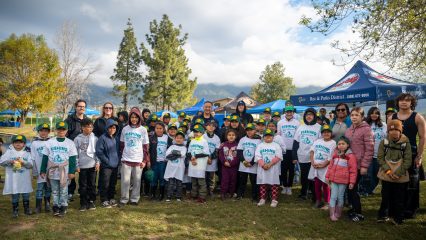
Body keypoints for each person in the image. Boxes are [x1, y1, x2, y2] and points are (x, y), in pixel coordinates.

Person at [391, 93, 425, 219]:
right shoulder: (392, 117)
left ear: (412, 103)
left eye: (407, 100)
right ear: (398, 102)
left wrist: (419, 156)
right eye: (401, 100)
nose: (404, 102)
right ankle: (396, 208)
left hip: (412, 153)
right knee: (396, 181)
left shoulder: (418, 117)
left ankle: (410, 210)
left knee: (412, 183)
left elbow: (422, 138)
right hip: (394, 153)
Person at [377, 119, 412, 225]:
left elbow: (408, 160)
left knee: (399, 197)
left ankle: (398, 217)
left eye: (397, 130)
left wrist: (398, 173)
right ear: (388, 131)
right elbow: (380, 157)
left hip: (400, 174)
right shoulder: (384, 142)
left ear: (400, 131)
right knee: (385, 196)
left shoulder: (406, 143)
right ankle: (383, 215)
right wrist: (388, 170)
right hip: (387, 173)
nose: (394, 132)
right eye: (391, 130)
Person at [40, 121, 78, 217]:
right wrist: (43, 170)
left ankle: (63, 206)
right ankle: (56, 206)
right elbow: (45, 157)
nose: (61, 131)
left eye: (63, 129)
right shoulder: (50, 142)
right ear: (55, 130)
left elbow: (72, 158)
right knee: (55, 190)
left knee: (64, 190)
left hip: (64, 170)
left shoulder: (70, 143)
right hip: (53, 169)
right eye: (59, 129)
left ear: (66, 131)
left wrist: (72, 171)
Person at [344, 107, 374, 222]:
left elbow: (369, 149)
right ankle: (352, 209)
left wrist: (364, 166)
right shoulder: (349, 129)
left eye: (357, 115)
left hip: (359, 165)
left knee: (353, 188)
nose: (354, 117)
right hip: (349, 164)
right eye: (352, 115)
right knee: (350, 187)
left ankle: (358, 212)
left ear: (362, 116)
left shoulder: (367, 130)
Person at [119, 107, 150, 206]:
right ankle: (124, 199)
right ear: (129, 118)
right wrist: (123, 156)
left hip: (138, 159)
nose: (134, 119)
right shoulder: (125, 129)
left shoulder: (143, 130)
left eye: (136, 117)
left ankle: (134, 199)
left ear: (139, 118)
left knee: (137, 181)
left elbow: (145, 147)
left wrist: (144, 160)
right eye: (132, 117)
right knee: (125, 181)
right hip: (126, 159)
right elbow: (122, 144)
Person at [1, 135, 33, 217]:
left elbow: (31, 165)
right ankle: (15, 210)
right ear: (12, 143)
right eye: (16, 142)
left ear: (24, 144)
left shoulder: (27, 153)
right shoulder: (9, 152)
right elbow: (2, 162)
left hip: (24, 179)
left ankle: (26, 209)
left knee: (26, 194)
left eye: (20, 142)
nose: (18, 144)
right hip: (13, 179)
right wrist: (10, 161)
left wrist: (23, 163)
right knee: (15, 195)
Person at [326, 136, 357, 221]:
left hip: (343, 181)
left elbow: (353, 171)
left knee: (340, 197)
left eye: (343, 144)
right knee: (333, 197)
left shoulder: (350, 156)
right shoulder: (335, 155)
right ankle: (332, 214)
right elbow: (330, 166)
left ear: (347, 145)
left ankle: (338, 213)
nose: (341, 145)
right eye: (339, 144)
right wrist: (327, 176)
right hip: (334, 180)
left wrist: (352, 182)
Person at [293, 108, 321, 200]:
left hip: (314, 157)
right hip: (302, 156)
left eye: (311, 115)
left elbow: (321, 142)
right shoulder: (301, 127)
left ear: (314, 116)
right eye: (307, 115)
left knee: (313, 176)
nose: (309, 116)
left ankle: (314, 194)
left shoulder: (319, 127)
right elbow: (296, 142)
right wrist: (294, 156)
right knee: (304, 176)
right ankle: (303, 193)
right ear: (305, 116)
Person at [65, 99, 90, 201]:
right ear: (76, 107)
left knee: (83, 173)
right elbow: (65, 135)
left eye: (83, 106)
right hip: (71, 151)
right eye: (80, 106)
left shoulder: (87, 119)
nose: (81, 108)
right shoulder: (69, 120)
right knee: (71, 172)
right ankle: (70, 192)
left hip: (84, 151)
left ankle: (83, 191)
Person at [308, 124, 336, 209]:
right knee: (317, 184)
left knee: (326, 185)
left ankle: (327, 202)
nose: (326, 134)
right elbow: (312, 151)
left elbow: (331, 157)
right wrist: (312, 162)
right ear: (321, 133)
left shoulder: (333, 143)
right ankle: (318, 200)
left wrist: (323, 165)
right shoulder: (317, 141)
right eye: (324, 132)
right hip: (316, 166)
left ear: (331, 133)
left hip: (325, 167)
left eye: (328, 132)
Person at [74, 119, 99, 211]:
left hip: (92, 165)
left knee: (92, 184)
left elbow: (97, 152)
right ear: (82, 127)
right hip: (82, 166)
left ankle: (91, 201)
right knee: (83, 185)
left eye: (91, 126)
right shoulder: (77, 139)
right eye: (88, 126)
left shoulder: (95, 138)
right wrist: (77, 165)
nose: (90, 128)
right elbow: (75, 153)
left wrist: (97, 162)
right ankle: (83, 202)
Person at [255, 129, 283, 207]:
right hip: (262, 168)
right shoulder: (260, 145)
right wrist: (263, 165)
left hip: (273, 168)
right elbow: (257, 156)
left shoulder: (276, 145)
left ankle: (274, 199)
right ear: (263, 137)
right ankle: (263, 198)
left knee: (273, 183)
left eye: (270, 136)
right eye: (266, 136)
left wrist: (270, 164)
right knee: (263, 183)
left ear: (273, 137)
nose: (268, 138)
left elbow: (278, 156)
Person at [96, 119, 120, 208]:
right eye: (110, 127)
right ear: (107, 128)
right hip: (106, 166)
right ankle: (104, 199)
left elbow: (118, 151)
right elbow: (99, 152)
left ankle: (111, 198)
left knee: (113, 183)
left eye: (114, 128)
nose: (112, 129)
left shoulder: (116, 138)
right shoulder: (102, 138)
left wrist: (118, 160)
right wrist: (107, 161)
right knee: (105, 183)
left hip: (115, 165)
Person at [277, 105, 300, 195]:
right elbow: (278, 135)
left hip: (293, 150)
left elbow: (298, 138)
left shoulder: (297, 123)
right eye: (287, 112)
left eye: (291, 112)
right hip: (283, 150)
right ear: (285, 113)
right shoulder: (280, 122)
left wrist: (296, 150)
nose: (289, 113)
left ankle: (289, 187)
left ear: (293, 113)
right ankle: (284, 186)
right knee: (283, 169)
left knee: (291, 169)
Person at [236, 123, 262, 201]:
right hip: (243, 164)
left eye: (251, 130)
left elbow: (258, 153)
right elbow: (239, 151)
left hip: (253, 164)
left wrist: (252, 162)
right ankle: (240, 194)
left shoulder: (258, 140)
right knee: (242, 181)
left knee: (254, 181)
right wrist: (243, 161)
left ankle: (255, 196)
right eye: (247, 130)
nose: (249, 132)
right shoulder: (242, 139)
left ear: (255, 130)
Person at [365, 107, 387, 195]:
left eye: (376, 113)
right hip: (369, 154)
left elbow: (387, 138)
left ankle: (370, 189)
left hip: (380, 154)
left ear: (379, 115)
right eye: (372, 113)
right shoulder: (365, 125)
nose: (374, 115)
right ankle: (367, 190)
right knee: (369, 174)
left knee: (378, 174)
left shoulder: (384, 125)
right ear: (369, 114)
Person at [149, 122, 173, 201]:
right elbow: (149, 150)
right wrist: (149, 160)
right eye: (157, 128)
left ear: (163, 129)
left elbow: (171, 148)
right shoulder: (152, 138)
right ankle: (152, 194)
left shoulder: (167, 138)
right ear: (154, 129)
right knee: (154, 178)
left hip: (163, 162)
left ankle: (161, 194)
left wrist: (168, 158)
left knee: (162, 178)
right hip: (154, 162)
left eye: (160, 128)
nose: (159, 130)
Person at [31, 123, 52, 213]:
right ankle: (38, 206)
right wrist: (35, 171)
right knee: (39, 188)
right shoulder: (34, 143)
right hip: (40, 170)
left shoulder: (51, 142)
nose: (44, 133)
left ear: (48, 132)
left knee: (48, 188)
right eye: (41, 131)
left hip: (49, 170)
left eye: (46, 131)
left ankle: (47, 205)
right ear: (38, 132)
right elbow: (32, 157)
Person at [187, 124, 210, 203]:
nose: (196, 133)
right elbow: (189, 152)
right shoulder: (192, 141)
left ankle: (202, 196)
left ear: (202, 132)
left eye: (198, 132)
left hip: (200, 164)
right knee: (193, 180)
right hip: (192, 163)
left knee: (201, 181)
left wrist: (196, 156)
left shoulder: (204, 141)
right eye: (195, 132)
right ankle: (194, 195)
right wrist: (191, 157)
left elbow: (206, 153)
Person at [164, 130, 188, 202]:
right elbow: (167, 155)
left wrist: (173, 154)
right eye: (177, 138)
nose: (179, 139)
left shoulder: (184, 148)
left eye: (181, 138)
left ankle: (178, 196)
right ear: (175, 139)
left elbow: (182, 154)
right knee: (171, 183)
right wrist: (177, 154)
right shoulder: (172, 146)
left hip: (179, 168)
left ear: (183, 139)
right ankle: (169, 195)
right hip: (171, 168)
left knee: (179, 183)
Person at [218, 129, 239, 200]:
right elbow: (220, 155)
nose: (231, 136)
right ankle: (223, 193)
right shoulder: (223, 145)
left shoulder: (237, 146)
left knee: (233, 180)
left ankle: (231, 193)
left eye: (233, 135)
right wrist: (224, 162)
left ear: (235, 136)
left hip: (234, 167)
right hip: (225, 166)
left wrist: (232, 164)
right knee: (225, 180)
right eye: (229, 135)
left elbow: (238, 157)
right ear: (226, 136)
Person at [203, 120, 221, 195]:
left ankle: (211, 190)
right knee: (204, 176)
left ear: (215, 127)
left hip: (212, 161)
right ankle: (204, 189)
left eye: (213, 126)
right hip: (204, 159)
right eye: (209, 125)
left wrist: (210, 158)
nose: (211, 127)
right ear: (205, 126)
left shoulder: (217, 138)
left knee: (211, 176)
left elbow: (217, 150)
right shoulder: (202, 136)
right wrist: (207, 157)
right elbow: (201, 148)